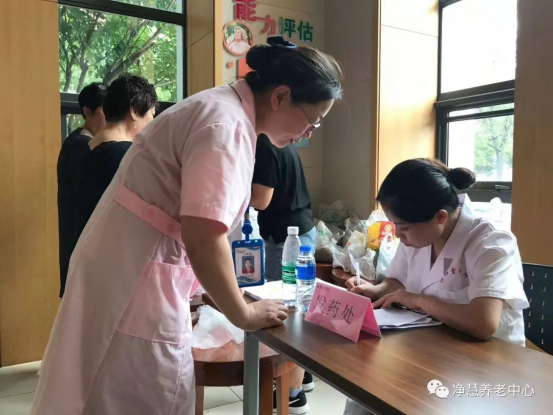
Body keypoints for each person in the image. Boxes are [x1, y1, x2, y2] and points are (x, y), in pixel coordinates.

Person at [32, 36, 342, 415]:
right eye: (313, 120)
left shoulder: (221, 109)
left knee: (99, 387)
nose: (310, 132)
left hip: (128, 267)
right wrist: (244, 314)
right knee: (142, 395)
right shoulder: (226, 125)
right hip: (137, 279)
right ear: (280, 97)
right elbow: (204, 235)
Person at [342, 159, 529, 415]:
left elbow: (483, 323)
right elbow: (397, 281)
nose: (398, 235)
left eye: (403, 228)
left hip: (486, 364)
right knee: (363, 395)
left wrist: (418, 300)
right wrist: (375, 290)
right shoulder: (419, 234)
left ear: (440, 217)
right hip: (430, 348)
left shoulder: (490, 240)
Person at [57, 75, 158, 297]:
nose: (152, 123)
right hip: (112, 278)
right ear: (134, 111)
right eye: (151, 115)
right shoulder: (125, 156)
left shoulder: (85, 148)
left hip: (83, 268)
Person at [250, 133, 317, 413]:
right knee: (295, 309)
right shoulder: (277, 141)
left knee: (286, 315)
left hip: (287, 240)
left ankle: (292, 394)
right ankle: (303, 375)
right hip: (297, 230)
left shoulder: (265, 144)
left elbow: (261, 200)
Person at [57, 82, 107, 297]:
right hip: (81, 243)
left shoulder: (88, 143)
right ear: (88, 112)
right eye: (106, 111)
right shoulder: (81, 146)